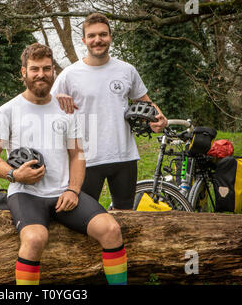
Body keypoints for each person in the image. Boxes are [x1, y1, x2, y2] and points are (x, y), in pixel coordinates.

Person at [0, 43, 128, 285]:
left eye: (47, 68)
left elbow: (77, 154)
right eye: (35, 69)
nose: (41, 74)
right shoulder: (6, 112)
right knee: (34, 239)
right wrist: (13, 174)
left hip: (63, 195)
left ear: (53, 71)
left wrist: (73, 189)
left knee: (111, 230)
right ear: (23, 73)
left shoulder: (66, 110)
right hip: (26, 194)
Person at [50, 12, 168, 210]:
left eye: (103, 35)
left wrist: (160, 118)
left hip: (124, 156)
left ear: (110, 37)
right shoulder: (69, 75)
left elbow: (145, 101)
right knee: (85, 216)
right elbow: (45, 108)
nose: (98, 40)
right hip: (85, 158)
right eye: (92, 35)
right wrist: (56, 100)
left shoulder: (127, 70)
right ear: (84, 40)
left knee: (125, 214)